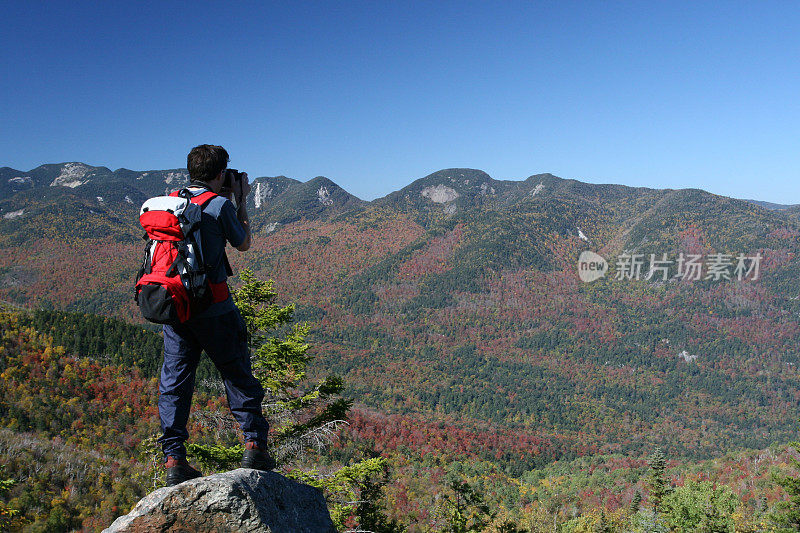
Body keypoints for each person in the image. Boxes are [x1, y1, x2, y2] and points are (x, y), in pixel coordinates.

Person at [158, 144, 273, 486]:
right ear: (221, 173)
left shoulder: (171, 204)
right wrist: (241, 200)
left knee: (175, 382)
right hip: (215, 307)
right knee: (236, 373)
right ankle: (254, 444)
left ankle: (174, 459)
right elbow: (244, 243)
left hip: (176, 307)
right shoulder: (220, 204)